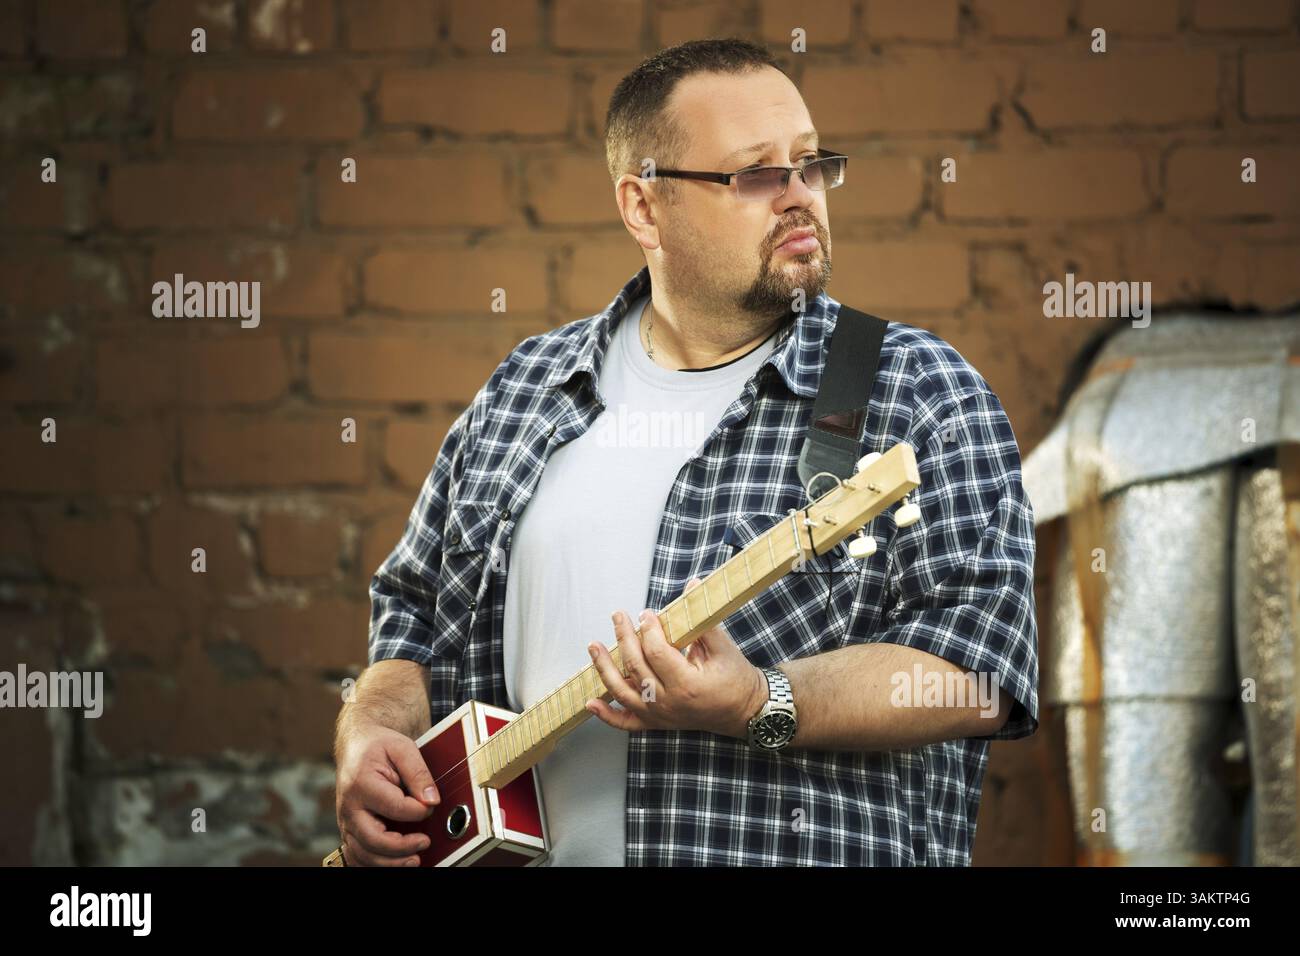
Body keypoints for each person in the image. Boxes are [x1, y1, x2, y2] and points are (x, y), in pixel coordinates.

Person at [333, 37, 1038, 867]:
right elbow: (413, 618)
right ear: (642, 207)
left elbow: (978, 668)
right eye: (755, 176)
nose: (800, 196)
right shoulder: (523, 393)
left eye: (811, 165)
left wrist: (761, 700)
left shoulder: (913, 390)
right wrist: (370, 730)